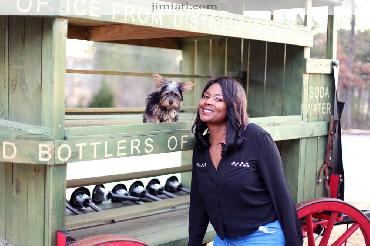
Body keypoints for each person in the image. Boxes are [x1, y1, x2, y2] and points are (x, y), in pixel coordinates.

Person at [188, 76, 303, 246]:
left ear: (233, 106)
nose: (207, 102)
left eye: (218, 99)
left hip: (262, 235)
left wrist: (295, 243)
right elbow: (198, 202)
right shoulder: (201, 147)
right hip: (224, 239)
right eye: (205, 96)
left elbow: (281, 195)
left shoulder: (256, 138)